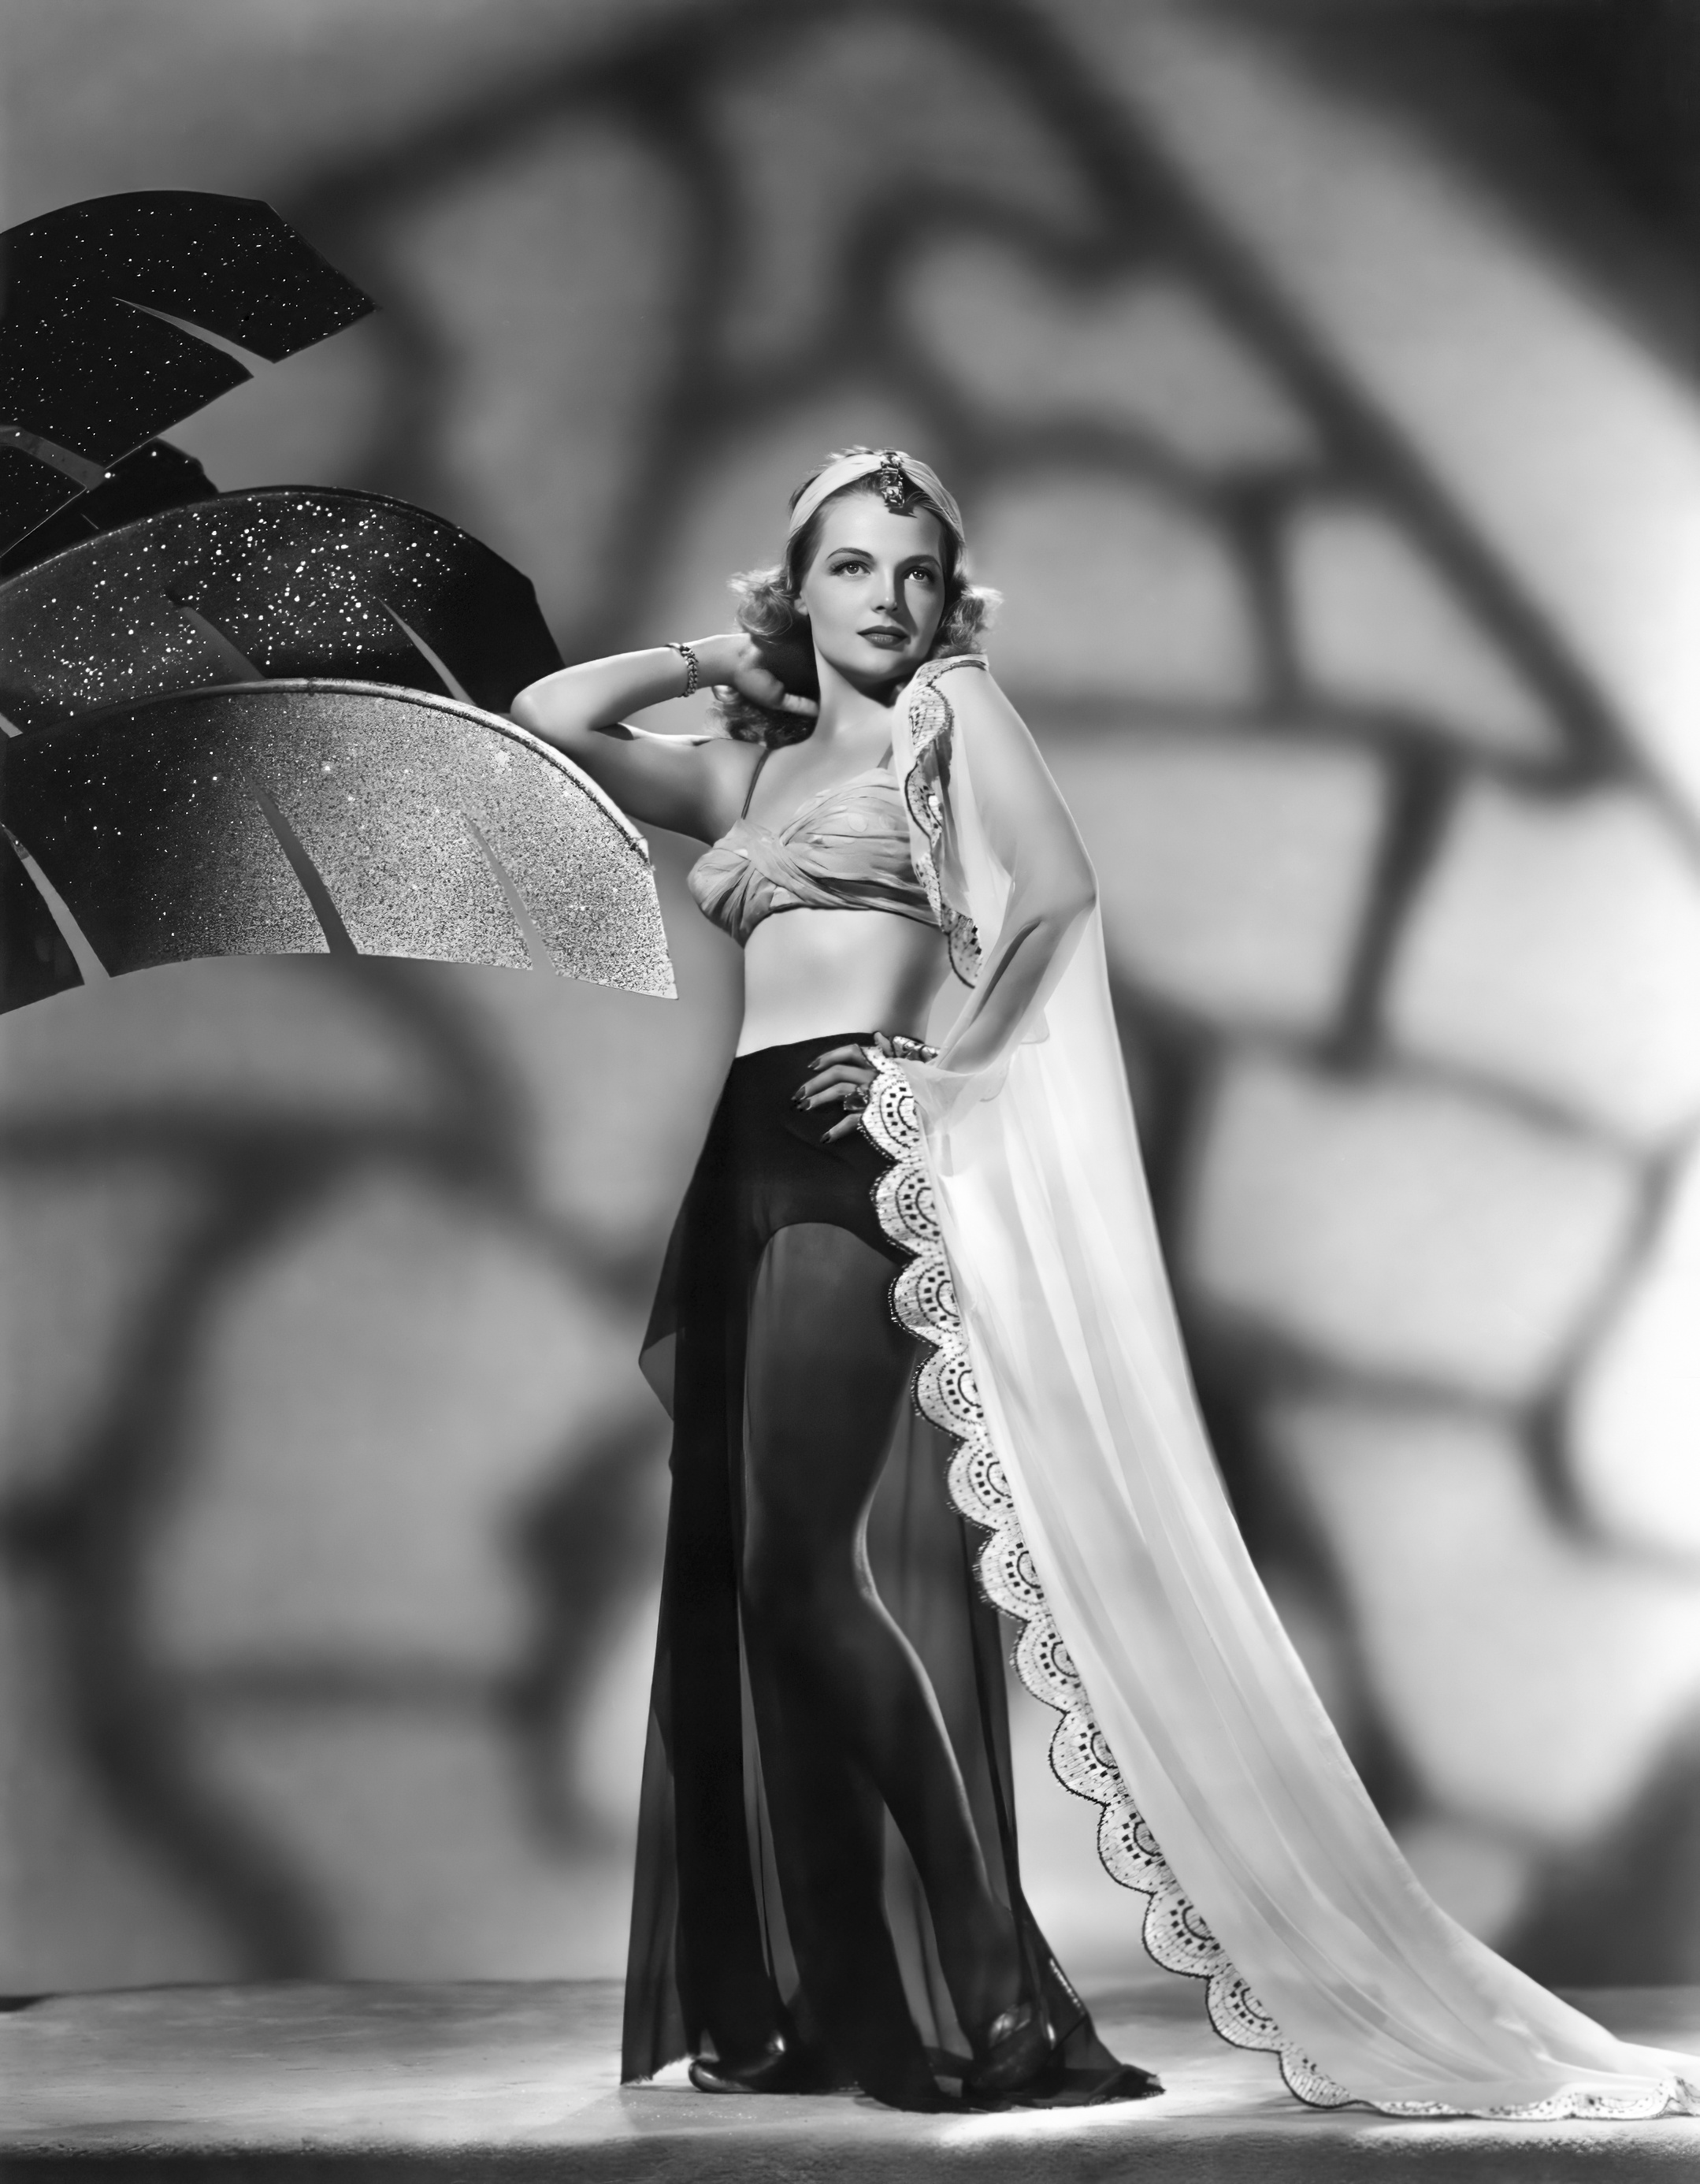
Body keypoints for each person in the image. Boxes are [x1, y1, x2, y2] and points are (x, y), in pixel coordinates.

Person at [510, 448, 1700, 2122]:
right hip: (742, 1156)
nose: (889, 599)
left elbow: (1058, 895)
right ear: (798, 588)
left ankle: (990, 1978)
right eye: (849, 568)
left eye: (917, 572)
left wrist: (943, 1076)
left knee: (797, 1565)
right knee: (753, 1577)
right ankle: (845, 1991)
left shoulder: (951, 716)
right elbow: (548, 718)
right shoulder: (749, 770)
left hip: (852, 1152)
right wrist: (730, 657)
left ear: (951, 598)